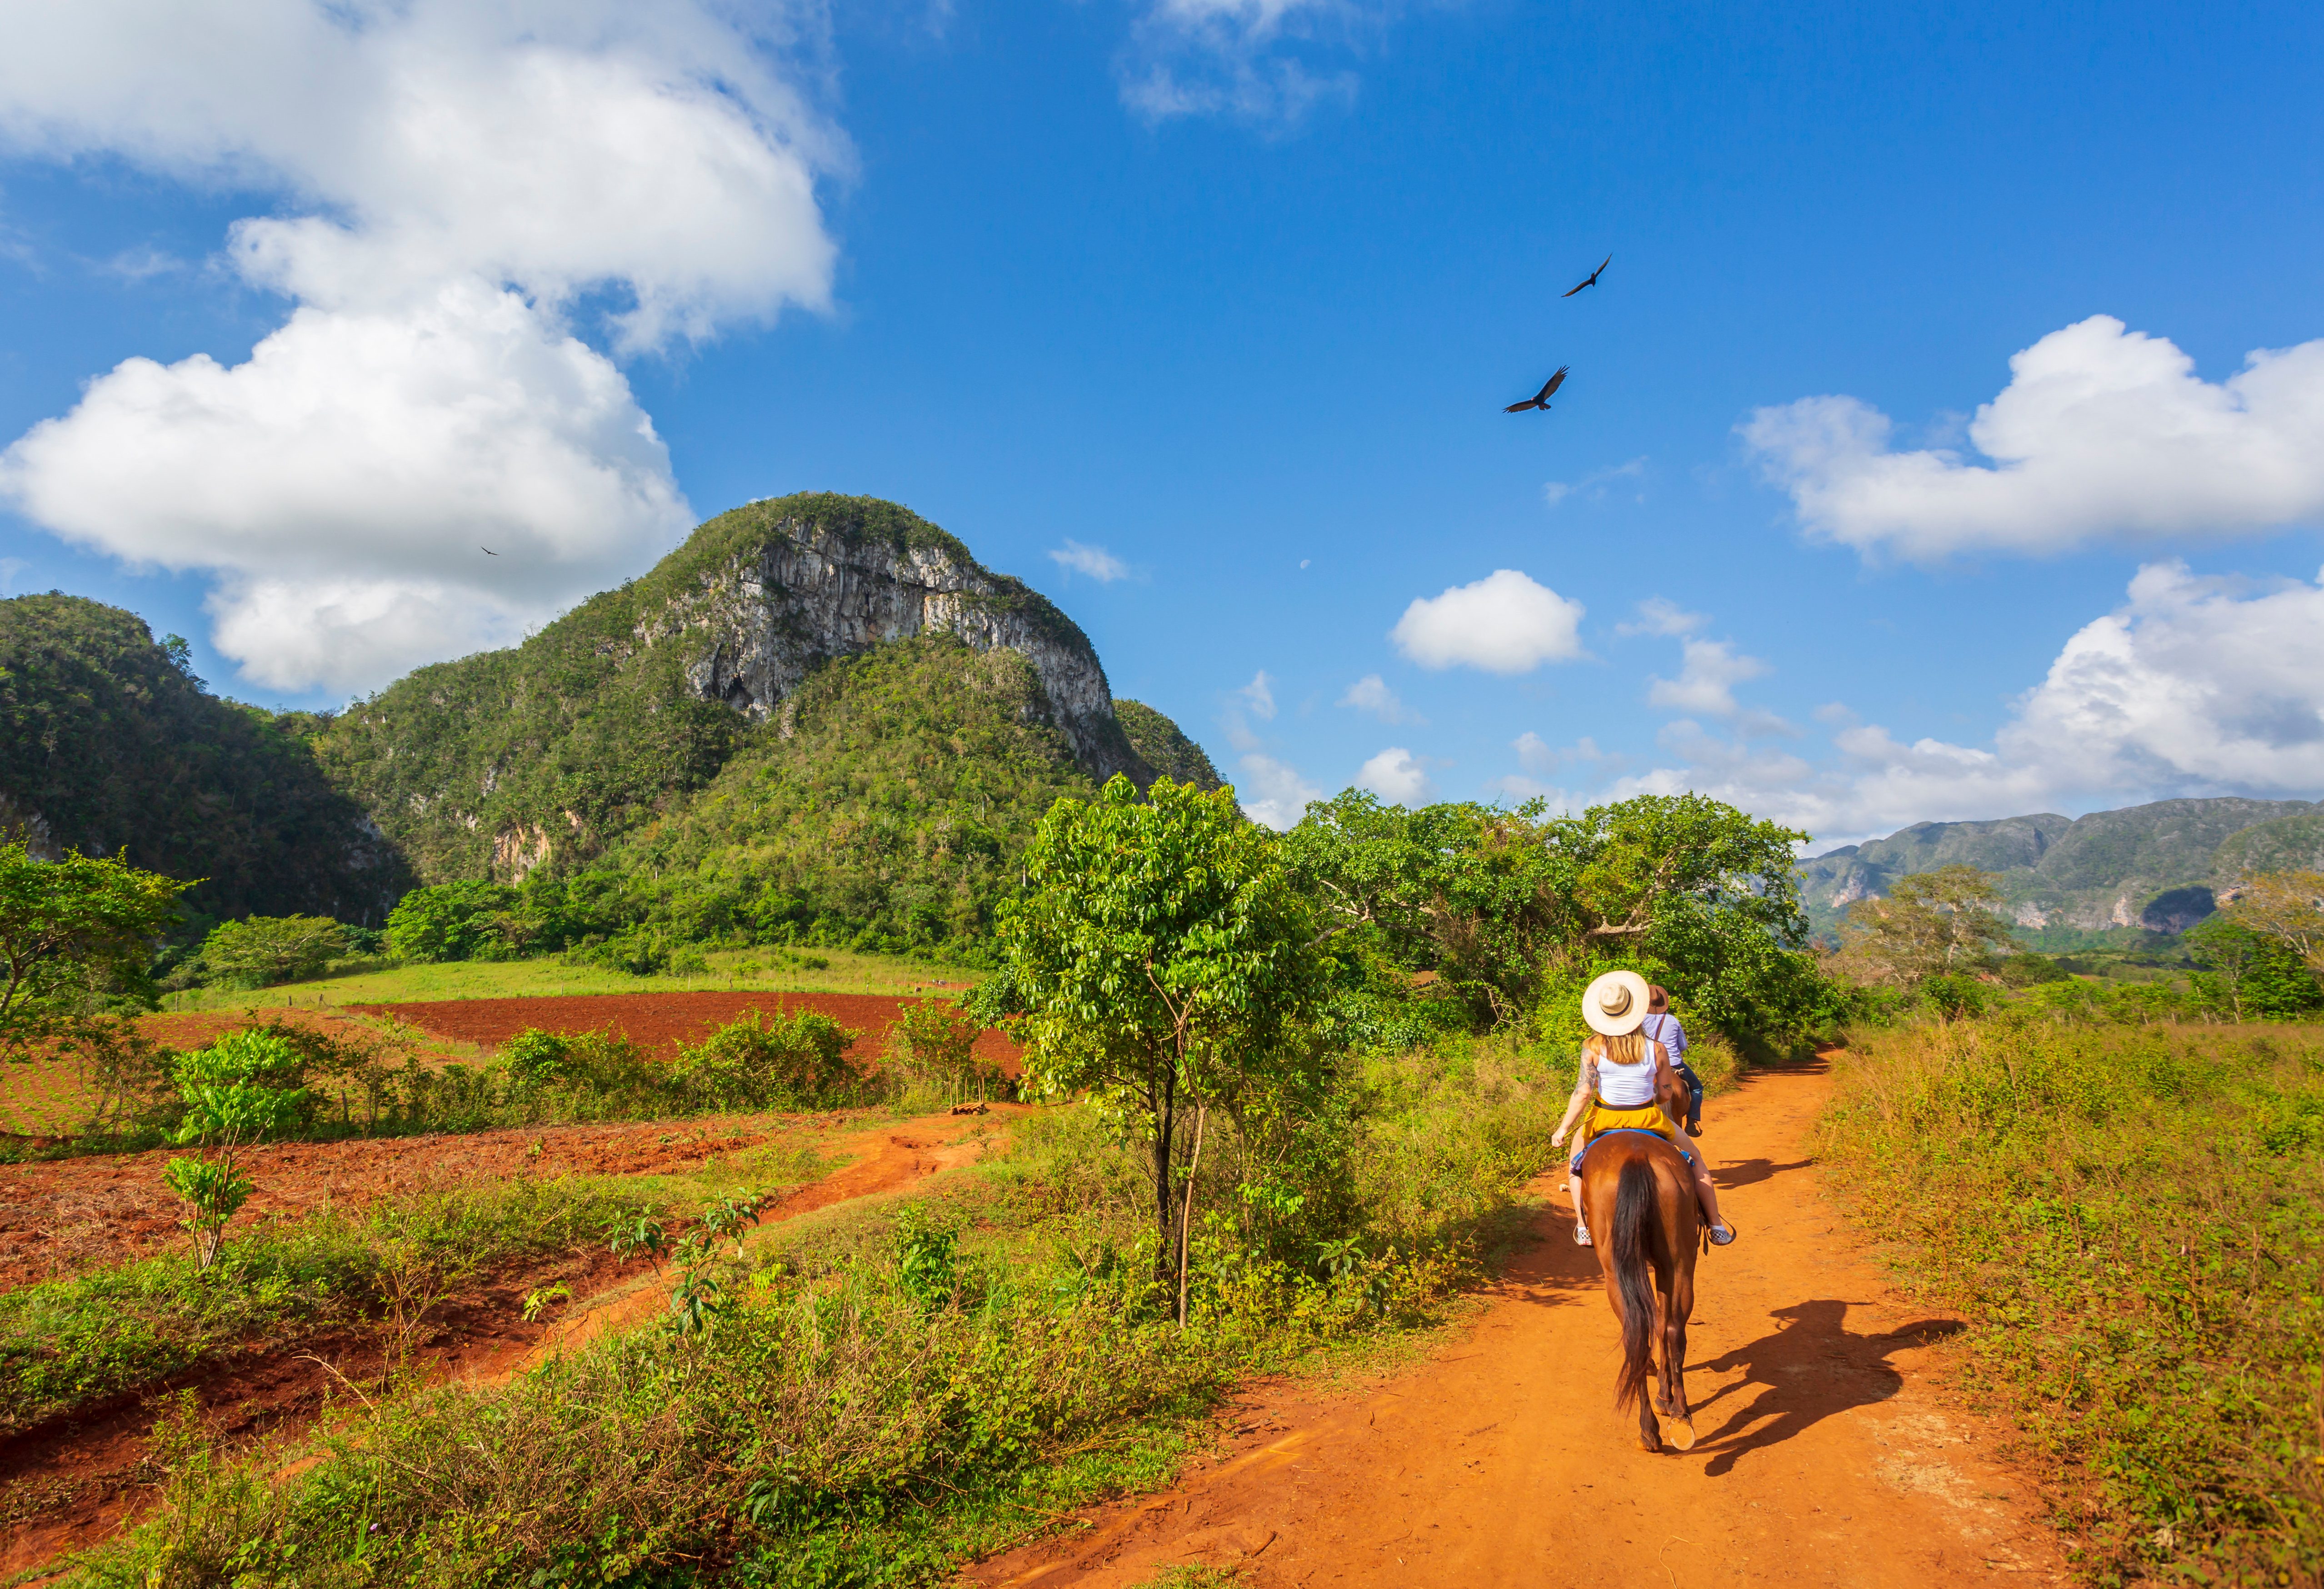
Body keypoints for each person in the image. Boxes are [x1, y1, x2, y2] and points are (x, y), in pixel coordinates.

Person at [1549, 968, 1734, 1249]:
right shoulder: (1657, 1048)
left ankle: (1582, 1225)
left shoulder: (1592, 1048)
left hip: (1604, 1118)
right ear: (1634, 1010)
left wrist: (1563, 1129)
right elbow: (1663, 1094)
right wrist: (1661, 1094)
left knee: (1576, 1165)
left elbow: (1584, 1092)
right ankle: (1716, 1224)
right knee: (1695, 1158)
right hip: (1648, 1117)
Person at [1642, 984, 1703, 1136]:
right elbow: (1683, 1045)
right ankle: (1691, 1122)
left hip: (1647, 1064)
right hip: (1673, 1063)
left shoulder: (1639, 1021)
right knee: (1697, 1088)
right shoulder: (1673, 1020)